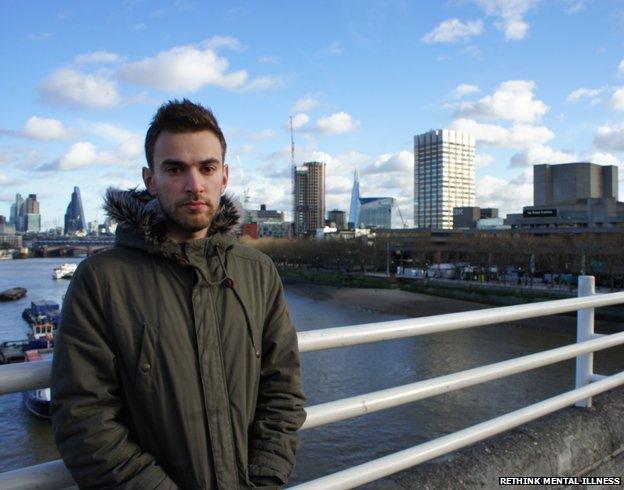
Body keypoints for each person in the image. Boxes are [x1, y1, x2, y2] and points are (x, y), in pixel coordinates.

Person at [51, 99, 306, 489]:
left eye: (207, 168)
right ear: (150, 178)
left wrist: (266, 479)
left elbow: (282, 389)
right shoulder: (101, 280)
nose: (194, 185)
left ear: (225, 176)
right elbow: (83, 418)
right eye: (175, 169)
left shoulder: (257, 272)